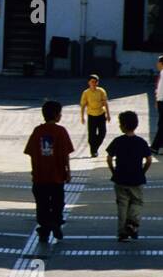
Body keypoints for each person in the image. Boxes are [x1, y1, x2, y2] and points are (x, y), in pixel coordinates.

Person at [23, 99, 74, 251]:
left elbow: (31, 153)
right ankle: (56, 223)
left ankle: (44, 230)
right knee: (58, 203)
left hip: (40, 176)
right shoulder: (61, 131)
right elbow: (65, 154)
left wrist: (35, 169)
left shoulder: (37, 131)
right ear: (57, 115)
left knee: (42, 204)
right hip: (57, 176)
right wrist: (68, 171)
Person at [105, 110, 153, 242]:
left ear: (124, 126)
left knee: (122, 205)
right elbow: (149, 160)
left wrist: (113, 171)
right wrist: (143, 171)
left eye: (120, 124)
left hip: (120, 178)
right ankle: (132, 225)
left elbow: (109, 158)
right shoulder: (141, 142)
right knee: (137, 202)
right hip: (136, 178)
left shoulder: (118, 141)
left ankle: (122, 232)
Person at [79, 74, 111, 157]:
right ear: (88, 83)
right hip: (91, 115)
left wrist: (108, 114)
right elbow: (83, 105)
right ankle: (93, 151)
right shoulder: (86, 93)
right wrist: (82, 117)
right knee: (92, 134)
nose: (94, 83)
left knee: (102, 133)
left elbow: (105, 103)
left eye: (95, 82)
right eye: (92, 82)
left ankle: (95, 147)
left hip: (101, 114)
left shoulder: (101, 91)